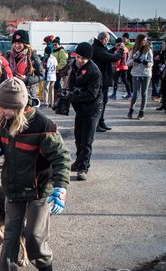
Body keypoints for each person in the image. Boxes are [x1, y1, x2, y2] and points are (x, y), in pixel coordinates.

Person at [0, 77, 71, 271]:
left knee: (33, 236)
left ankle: (44, 261)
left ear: (20, 106)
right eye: (0, 106)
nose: (1, 110)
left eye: (6, 107)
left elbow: (61, 158)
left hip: (38, 190)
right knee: (11, 236)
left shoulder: (43, 126)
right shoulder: (3, 121)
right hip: (12, 189)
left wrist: (60, 188)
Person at [67, 42, 102, 181]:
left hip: (92, 109)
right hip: (80, 109)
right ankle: (78, 161)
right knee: (78, 137)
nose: (79, 60)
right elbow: (71, 83)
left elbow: (91, 94)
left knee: (87, 140)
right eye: (78, 57)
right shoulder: (75, 66)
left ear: (89, 58)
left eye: (83, 58)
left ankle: (83, 168)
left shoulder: (94, 72)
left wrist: (73, 95)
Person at [91, 32, 123, 132]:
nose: (108, 42)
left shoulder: (98, 47)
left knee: (103, 102)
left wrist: (114, 48)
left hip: (102, 80)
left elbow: (106, 53)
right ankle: (97, 124)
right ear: (104, 39)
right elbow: (112, 57)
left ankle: (101, 122)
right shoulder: (98, 49)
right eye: (107, 40)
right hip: (101, 80)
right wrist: (121, 51)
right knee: (100, 103)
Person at [6, 30, 44, 97]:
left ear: (25, 44)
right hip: (11, 93)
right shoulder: (9, 56)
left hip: (27, 93)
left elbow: (41, 75)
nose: (16, 45)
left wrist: (27, 79)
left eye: (19, 43)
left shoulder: (32, 56)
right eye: (15, 42)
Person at [126, 34, 153, 120]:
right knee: (135, 94)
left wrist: (147, 63)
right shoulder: (133, 50)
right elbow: (128, 63)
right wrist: (134, 60)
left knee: (144, 94)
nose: (144, 42)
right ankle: (131, 111)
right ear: (139, 41)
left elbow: (151, 63)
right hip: (136, 73)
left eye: (145, 40)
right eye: (143, 40)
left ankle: (141, 113)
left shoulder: (148, 49)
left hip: (146, 73)